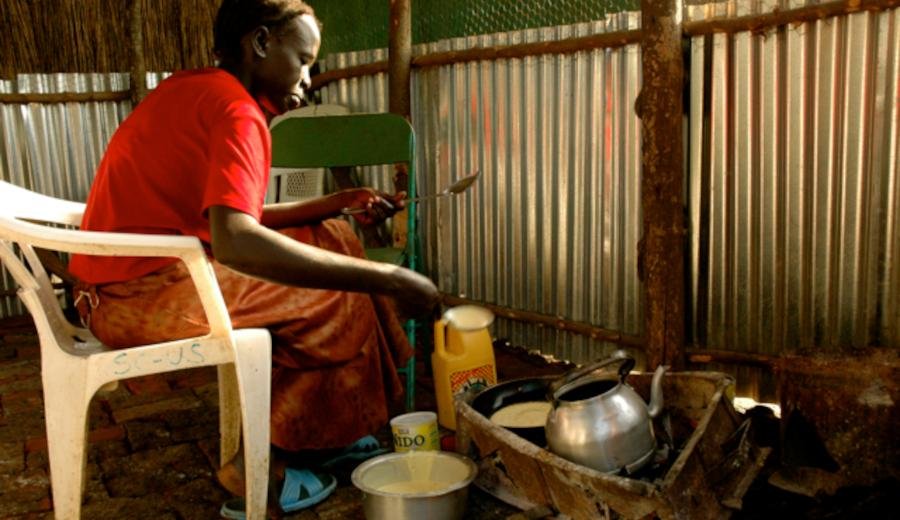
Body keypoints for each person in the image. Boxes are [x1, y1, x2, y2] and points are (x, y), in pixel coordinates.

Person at [67, 0, 439, 514]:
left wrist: (335, 203)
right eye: (303, 59)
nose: (309, 78)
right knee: (334, 294)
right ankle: (260, 470)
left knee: (337, 237)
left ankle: (334, 429)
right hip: (139, 296)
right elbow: (236, 240)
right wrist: (392, 278)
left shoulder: (193, 89)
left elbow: (227, 217)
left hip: (128, 280)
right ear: (261, 43)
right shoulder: (237, 113)